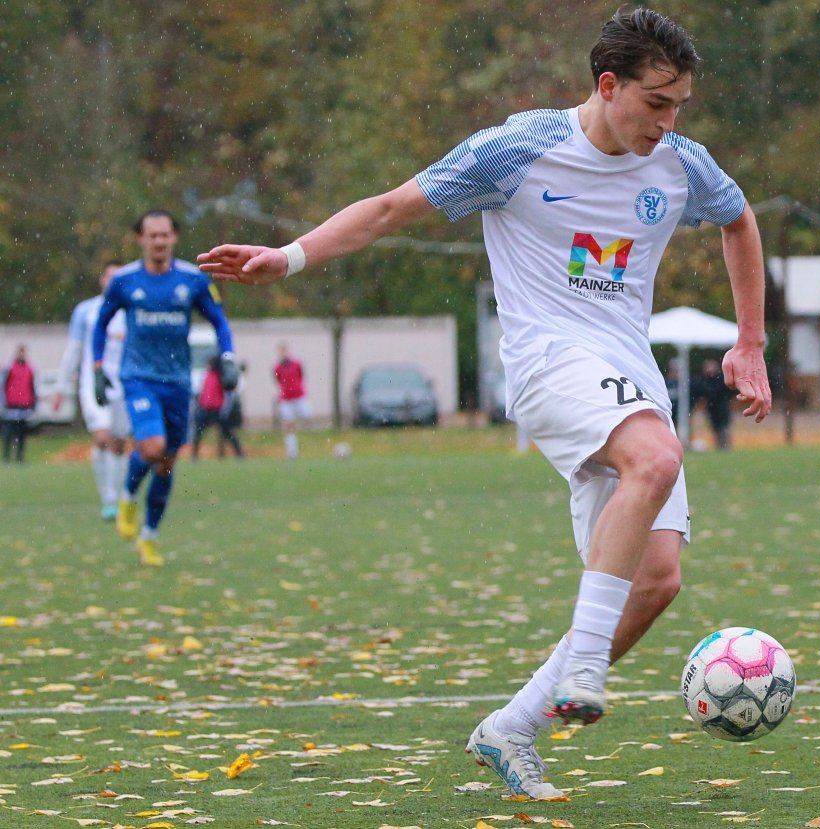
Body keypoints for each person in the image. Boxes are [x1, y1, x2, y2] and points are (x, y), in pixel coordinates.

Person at [198, 8, 770, 801]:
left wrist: (750, 342)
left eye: (680, 107)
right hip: (547, 366)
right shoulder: (517, 149)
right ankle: (580, 665)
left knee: (659, 579)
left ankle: (512, 726)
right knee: (658, 458)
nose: (669, 123)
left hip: (629, 376)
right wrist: (288, 258)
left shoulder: (680, 163)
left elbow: (739, 219)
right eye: (656, 104)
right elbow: (393, 208)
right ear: (608, 87)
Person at [93, 209, 238, 566]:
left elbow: (219, 321)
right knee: (154, 446)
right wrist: (98, 368)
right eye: (151, 235)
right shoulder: (125, 281)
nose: (158, 241)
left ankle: (150, 536)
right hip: (138, 378)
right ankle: (127, 495)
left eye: (164, 235)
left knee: (167, 464)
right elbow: (101, 324)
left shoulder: (193, 280)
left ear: (174, 237)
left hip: (176, 381)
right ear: (140, 239)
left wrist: (229, 357)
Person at [53, 262, 131, 518]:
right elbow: (74, 350)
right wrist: (60, 386)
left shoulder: (130, 310)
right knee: (102, 438)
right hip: (93, 383)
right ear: (102, 280)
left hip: (124, 386)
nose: (114, 282)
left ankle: (119, 496)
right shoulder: (86, 311)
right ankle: (108, 499)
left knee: (120, 444)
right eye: (110, 276)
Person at [191, 354, 245, 460]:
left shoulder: (221, 376)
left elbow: (227, 394)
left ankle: (239, 454)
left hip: (217, 410)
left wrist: (224, 410)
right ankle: (194, 455)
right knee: (198, 432)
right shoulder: (207, 375)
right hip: (205, 409)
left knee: (228, 432)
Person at [273, 342, 309, 458]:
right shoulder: (277, 367)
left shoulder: (297, 364)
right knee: (288, 425)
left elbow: (301, 375)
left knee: (307, 416)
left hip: (299, 396)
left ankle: (300, 432)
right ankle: (292, 451)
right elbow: (278, 380)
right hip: (286, 399)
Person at [3, 344, 36, 464]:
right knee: (9, 432)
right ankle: (6, 457)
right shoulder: (10, 367)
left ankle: (19, 458)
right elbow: (4, 385)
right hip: (12, 404)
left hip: (24, 404)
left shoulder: (29, 369)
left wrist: (33, 402)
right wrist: (4, 401)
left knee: (22, 434)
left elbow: (32, 387)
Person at [698, 357, 733, 450]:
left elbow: (726, 392)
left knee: (724, 427)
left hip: (722, 408)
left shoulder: (721, 379)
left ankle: (726, 446)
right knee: (715, 428)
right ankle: (719, 446)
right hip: (711, 409)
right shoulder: (705, 381)